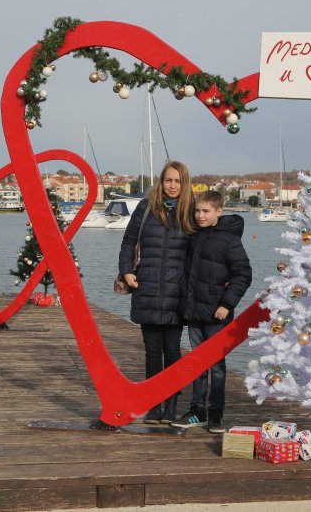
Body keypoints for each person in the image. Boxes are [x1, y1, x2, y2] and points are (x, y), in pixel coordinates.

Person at [119, 161, 195, 424]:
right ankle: (154, 404)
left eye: (177, 181)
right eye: (168, 180)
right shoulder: (147, 207)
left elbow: (209, 246)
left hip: (177, 292)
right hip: (147, 287)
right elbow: (129, 241)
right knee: (152, 351)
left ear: (184, 184)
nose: (172, 186)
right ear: (161, 182)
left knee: (173, 351)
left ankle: (171, 403)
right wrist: (127, 270)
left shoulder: (192, 211)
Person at [172, 190, 252, 433]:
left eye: (205, 211)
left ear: (219, 211)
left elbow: (243, 274)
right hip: (194, 311)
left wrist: (226, 304)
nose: (200, 215)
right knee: (197, 362)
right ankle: (198, 411)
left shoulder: (229, 240)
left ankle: (216, 412)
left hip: (217, 314)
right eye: (197, 210)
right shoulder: (193, 236)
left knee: (217, 366)